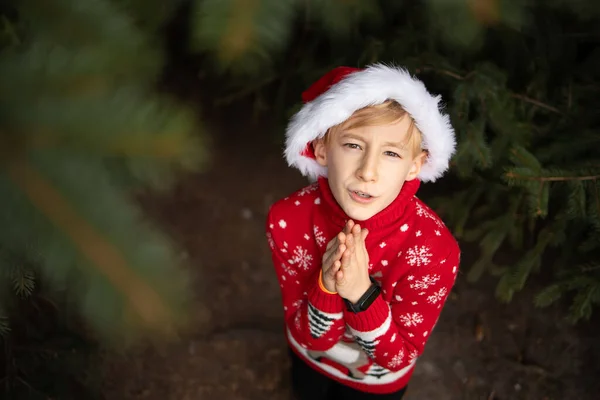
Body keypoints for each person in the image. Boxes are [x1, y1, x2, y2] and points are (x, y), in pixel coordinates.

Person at [265, 64, 461, 399]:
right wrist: (326, 285)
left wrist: (361, 294)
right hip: (309, 360)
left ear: (415, 164)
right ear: (322, 148)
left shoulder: (434, 250)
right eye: (353, 145)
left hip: (375, 384)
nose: (368, 171)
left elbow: (398, 357)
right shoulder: (289, 220)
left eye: (391, 152)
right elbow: (309, 335)